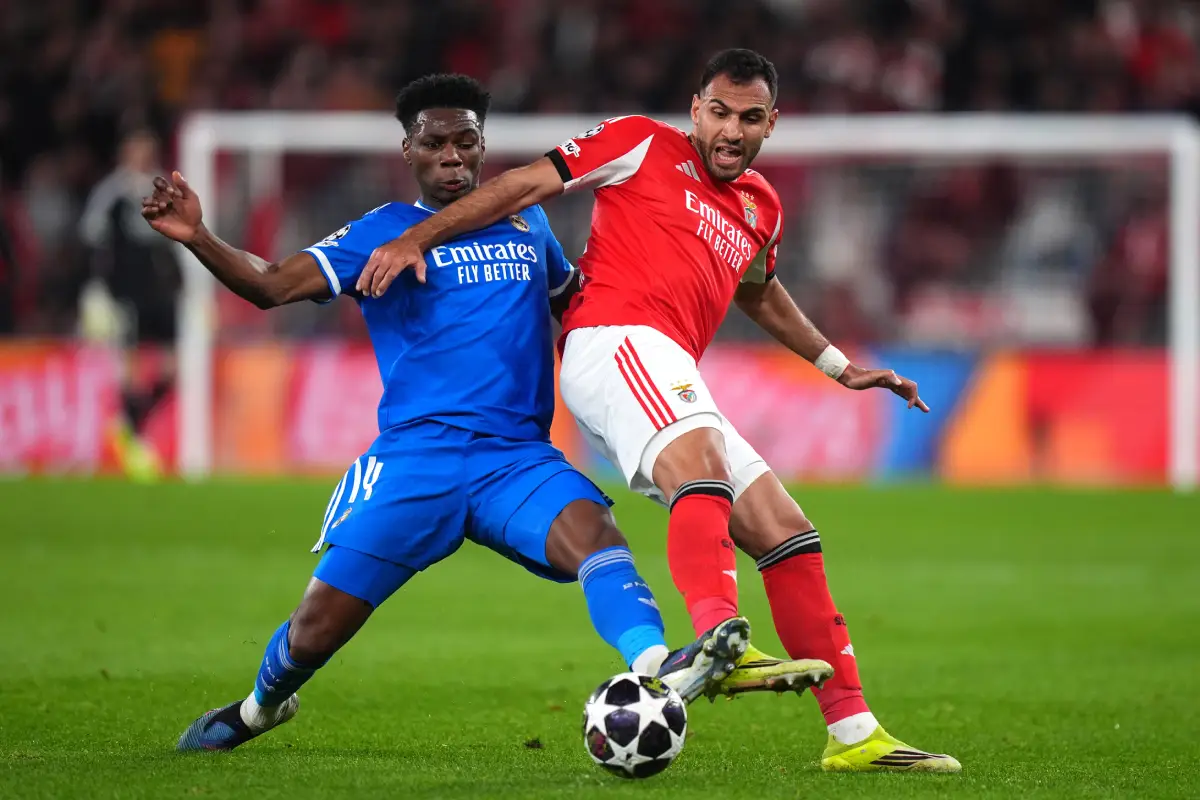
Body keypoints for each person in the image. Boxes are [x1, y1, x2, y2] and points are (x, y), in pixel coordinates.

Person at [357, 52, 961, 772]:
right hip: (613, 340)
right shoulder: (640, 140)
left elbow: (758, 290)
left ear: (772, 123)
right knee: (700, 465)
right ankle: (716, 642)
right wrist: (414, 237)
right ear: (696, 106)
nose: (731, 130)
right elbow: (522, 186)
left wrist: (838, 364)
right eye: (719, 112)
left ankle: (856, 735)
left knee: (786, 531)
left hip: (669, 361)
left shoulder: (761, 205)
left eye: (749, 118)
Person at [144, 74, 752, 752]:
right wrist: (198, 235)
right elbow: (270, 285)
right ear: (409, 150)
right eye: (436, 144)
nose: (453, 157)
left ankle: (655, 670)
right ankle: (260, 709)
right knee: (315, 630)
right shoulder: (382, 232)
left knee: (599, 537)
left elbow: (576, 305)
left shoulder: (528, 222)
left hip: (515, 458)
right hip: (416, 460)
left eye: (467, 142)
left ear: (483, 146)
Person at [80, 128, 181, 480]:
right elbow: (94, 243)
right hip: (126, 296)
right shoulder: (111, 194)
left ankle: (129, 424)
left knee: (173, 370)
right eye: (135, 150)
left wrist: (183, 287)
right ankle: (132, 434)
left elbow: (177, 247)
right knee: (132, 368)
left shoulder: (166, 191)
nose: (142, 156)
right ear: (124, 154)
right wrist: (97, 290)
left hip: (162, 296)